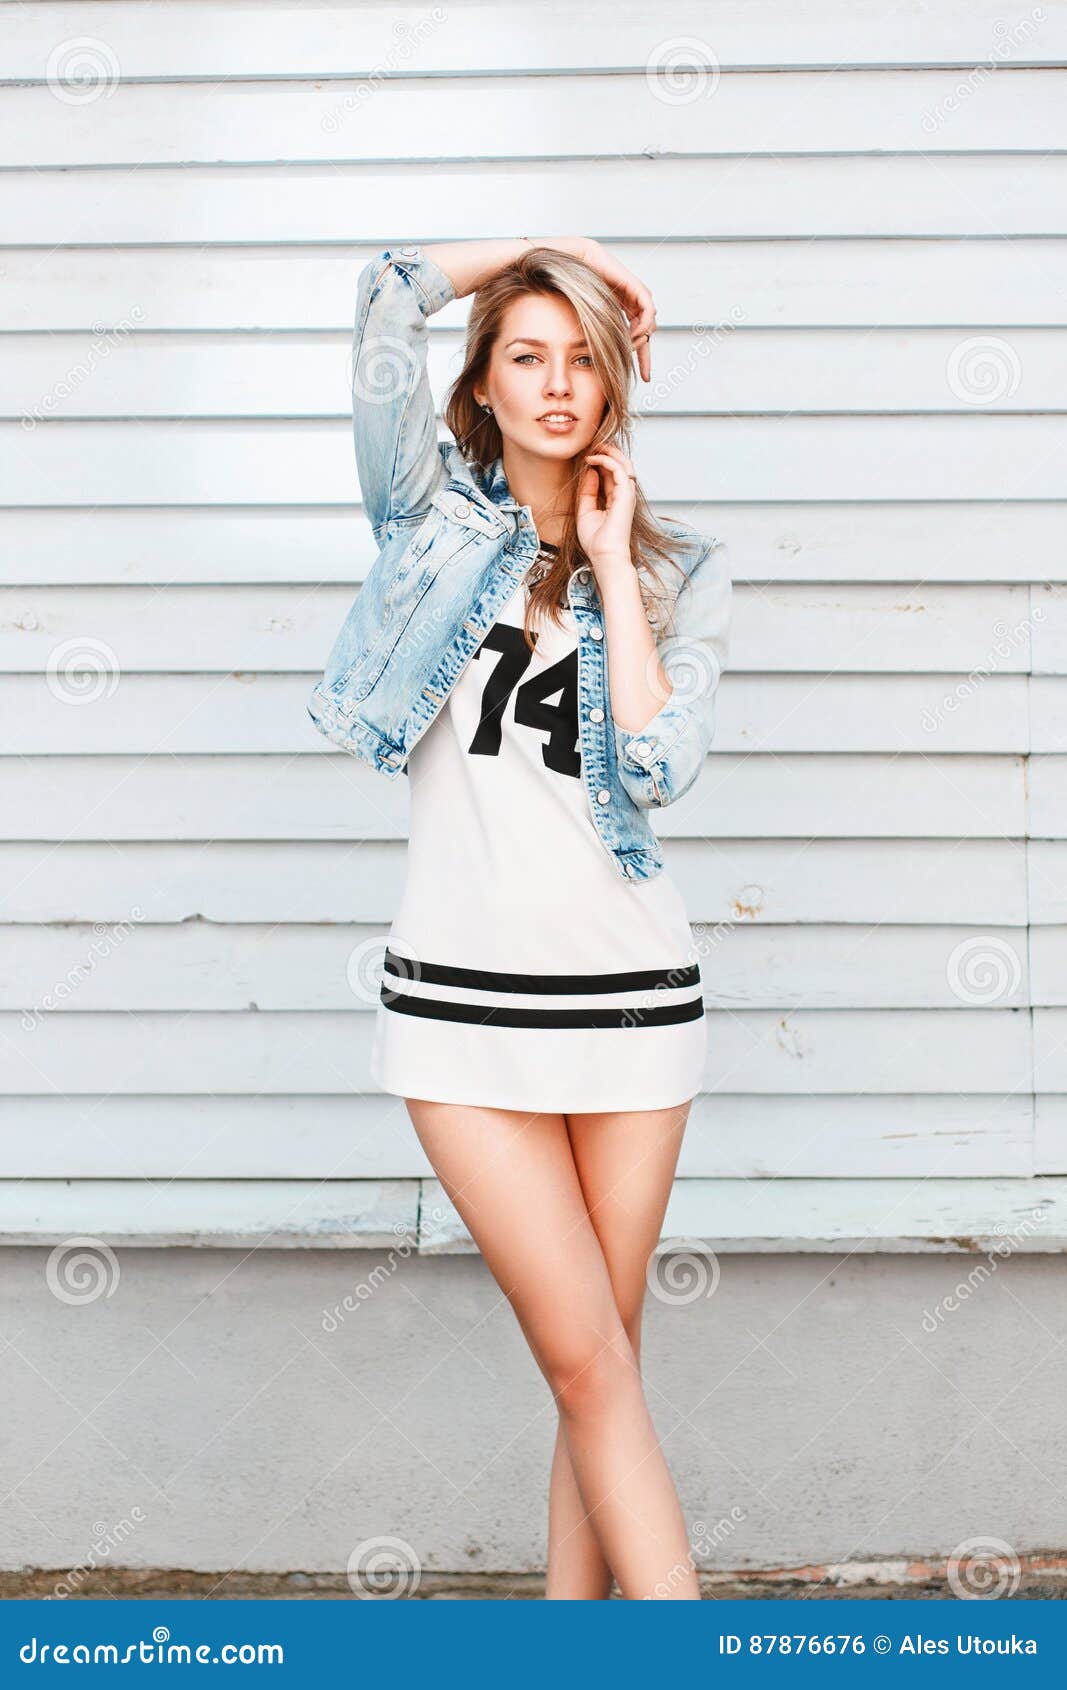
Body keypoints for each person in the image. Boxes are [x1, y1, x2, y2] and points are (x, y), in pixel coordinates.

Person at [310, 236, 731, 1599]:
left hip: (629, 1001)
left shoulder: (681, 569)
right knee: (583, 1355)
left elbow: (663, 766)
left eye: (584, 360)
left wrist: (610, 561)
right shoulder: (426, 522)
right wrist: (573, 254)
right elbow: (385, 300)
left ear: (615, 389)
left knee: (601, 1358)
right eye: (526, 357)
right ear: (482, 385)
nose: (557, 386)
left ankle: (577, 1644)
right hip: (457, 1010)